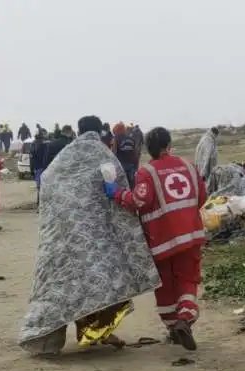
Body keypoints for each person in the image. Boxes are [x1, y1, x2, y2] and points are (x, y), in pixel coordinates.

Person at [18, 115, 160, 356]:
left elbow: (48, 181)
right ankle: (96, 331)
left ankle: (47, 342)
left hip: (64, 236)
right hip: (98, 238)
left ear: (78, 130)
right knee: (102, 281)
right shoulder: (104, 155)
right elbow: (119, 191)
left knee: (60, 282)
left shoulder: (64, 158)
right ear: (100, 131)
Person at [104, 127, 207, 351]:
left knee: (166, 287)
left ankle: (173, 328)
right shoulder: (189, 166)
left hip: (161, 241)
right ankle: (185, 319)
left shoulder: (147, 172)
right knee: (188, 280)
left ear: (147, 149)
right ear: (169, 144)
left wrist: (117, 193)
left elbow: (140, 201)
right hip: (191, 235)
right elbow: (202, 197)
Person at [112, 122, 138, 187]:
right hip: (132, 165)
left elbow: (114, 152)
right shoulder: (132, 139)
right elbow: (136, 153)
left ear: (116, 130)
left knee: (122, 185)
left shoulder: (116, 138)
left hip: (121, 165)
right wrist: (136, 165)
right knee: (132, 184)